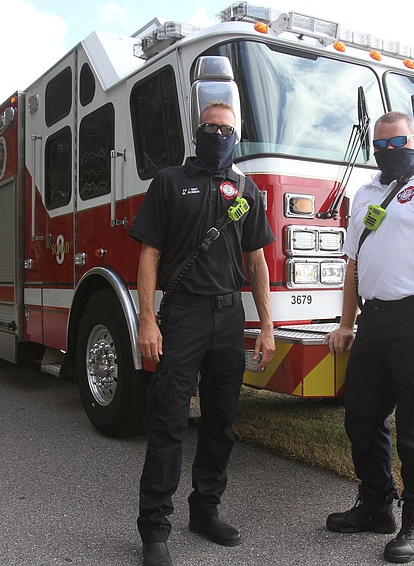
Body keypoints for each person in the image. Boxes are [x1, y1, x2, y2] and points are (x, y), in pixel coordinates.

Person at [130, 101, 276, 566]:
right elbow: (150, 254)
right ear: (197, 132)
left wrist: (266, 325)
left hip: (229, 319)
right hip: (183, 318)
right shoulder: (170, 181)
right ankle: (155, 529)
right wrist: (147, 320)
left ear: (237, 136)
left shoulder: (247, 190)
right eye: (210, 128)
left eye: (225, 129)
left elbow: (257, 261)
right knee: (169, 421)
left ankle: (205, 511)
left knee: (221, 421)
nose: (217, 135)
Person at [324, 111, 414, 563]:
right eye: (381, 145)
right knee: (361, 415)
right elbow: (353, 264)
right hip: (374, 319)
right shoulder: (364, 194)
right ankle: (376, 505)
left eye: (398, 142)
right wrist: (346, 323)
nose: (390, 151)